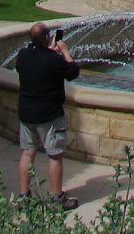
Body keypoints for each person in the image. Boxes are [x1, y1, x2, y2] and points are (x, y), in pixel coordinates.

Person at [15, 23, 80, 210]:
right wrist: (64, 51)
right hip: (49, 116)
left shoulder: (22, 55)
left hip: (27, 113)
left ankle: (23, 197)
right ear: (46, 37)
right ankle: (57, 198)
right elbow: (73, 72)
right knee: (55, 155)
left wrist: (49, 52)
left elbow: (37, 63)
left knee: (27, 153)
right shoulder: (54, 60)